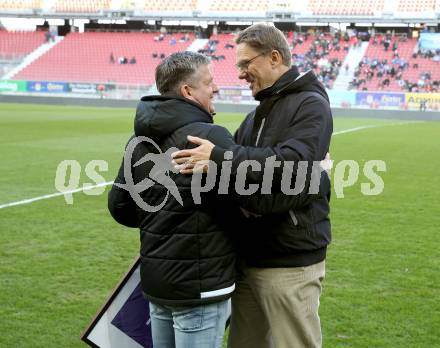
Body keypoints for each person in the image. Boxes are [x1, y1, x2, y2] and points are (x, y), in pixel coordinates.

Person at [172, 23, 333, 348]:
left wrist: (219, 156)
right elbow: (244, 186)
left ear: (274, 57)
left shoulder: (310, 104)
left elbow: (292, 164)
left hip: (290, 263)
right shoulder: (256, 115)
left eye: (247, 65)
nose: (242, 74)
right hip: (248, 261)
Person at [107, 52, 235, 348]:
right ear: (188, 91)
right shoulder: (210, 137)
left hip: (157, 282)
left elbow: (119, 206)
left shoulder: (138, 140)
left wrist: (162, 219)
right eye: (209, 81)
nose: (215, 87)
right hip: (199, 286)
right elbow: (245, 204)